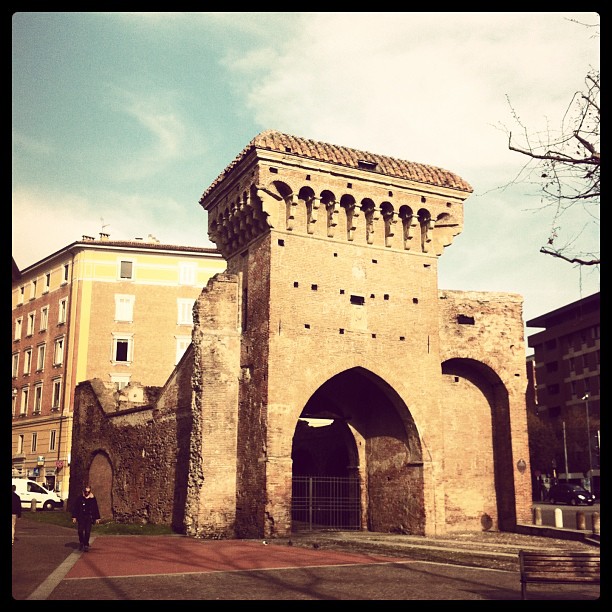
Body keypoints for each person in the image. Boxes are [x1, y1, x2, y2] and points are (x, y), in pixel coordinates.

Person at [71, 485, 101, 552]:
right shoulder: (79, 498)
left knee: (87, 532)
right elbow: (75, 508)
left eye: (88, 492)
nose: (87, 493)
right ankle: (81, 542)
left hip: (89, 517)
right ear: (83, 491)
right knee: (80, 531)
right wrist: (74, 517)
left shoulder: (92, 499)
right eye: (86, 492)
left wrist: (97, 518)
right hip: (81, 517)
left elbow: (95, 508)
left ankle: (86, 544)